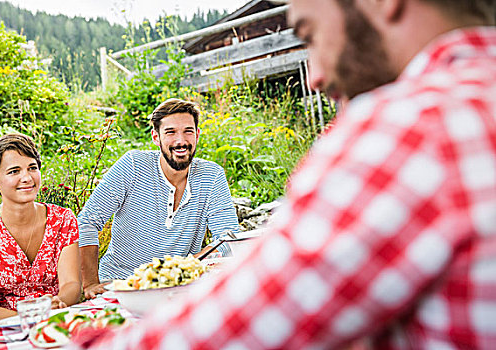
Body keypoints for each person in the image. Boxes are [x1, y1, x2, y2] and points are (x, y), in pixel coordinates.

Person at [72, 0, 496, 348]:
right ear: (156, 136)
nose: (315, 77)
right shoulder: (473, 99)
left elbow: (247, 322)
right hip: (117, 290)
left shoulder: (406, 124)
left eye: (310, 35)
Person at [78, 98, 239, 298]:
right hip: (121, 288)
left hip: (179, 290)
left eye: (188, 131)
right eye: (170, 132)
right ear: (156, 137)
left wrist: (183, 268)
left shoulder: (211, 175)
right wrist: (91, 283)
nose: (180, 141)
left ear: (197, 135)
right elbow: (87, 222)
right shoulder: (133, 165)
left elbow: (229, 238)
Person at [0, 134, 81, 333]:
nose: (27, 178)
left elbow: (72, 284)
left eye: (32, 168)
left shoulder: (63, 219)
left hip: (55, 321)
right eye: (14, 171)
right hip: (0, 332)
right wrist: (36, 318)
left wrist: (56, 305)